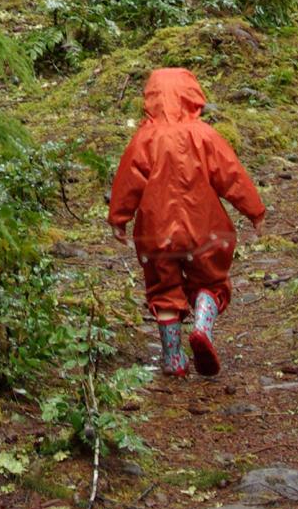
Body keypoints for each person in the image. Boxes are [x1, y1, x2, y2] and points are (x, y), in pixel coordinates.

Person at [108, 66, 266, 379]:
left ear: (151, 99)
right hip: (204, 228)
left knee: (163, 288)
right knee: (210, 280)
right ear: (192, 97)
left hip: (156, 233)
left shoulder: (144, 139)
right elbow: (230, 175)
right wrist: (253, 209)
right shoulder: (205, 136)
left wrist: (119, 217)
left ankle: (173, 358)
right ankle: (202, 329)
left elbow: (128, 181)